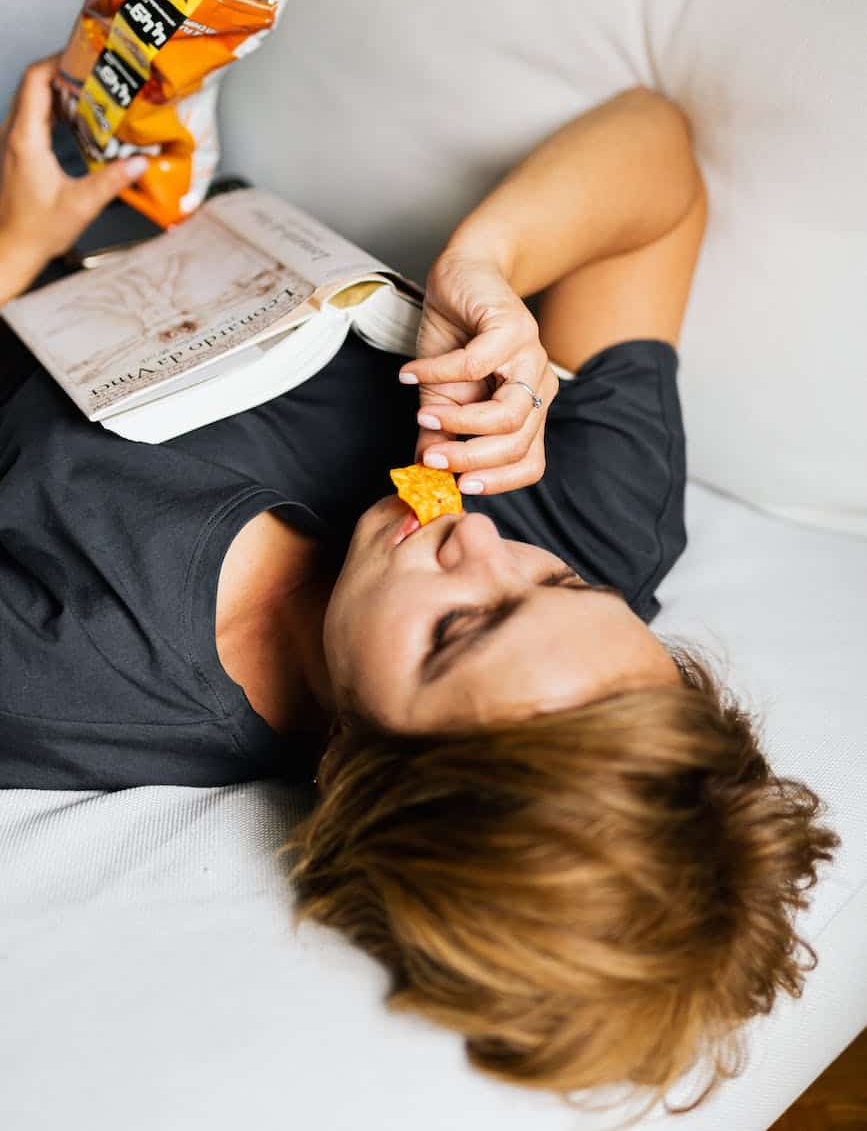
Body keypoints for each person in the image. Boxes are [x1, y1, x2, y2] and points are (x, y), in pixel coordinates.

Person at [0, 58, 837, 1110]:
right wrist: (488, 263)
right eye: (560, 585)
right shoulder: (590, 521)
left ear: (355, 766)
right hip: (154, 104)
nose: (477, 544)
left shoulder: (69, 678)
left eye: (456, 634)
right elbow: (659, 156)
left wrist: (17, 241)